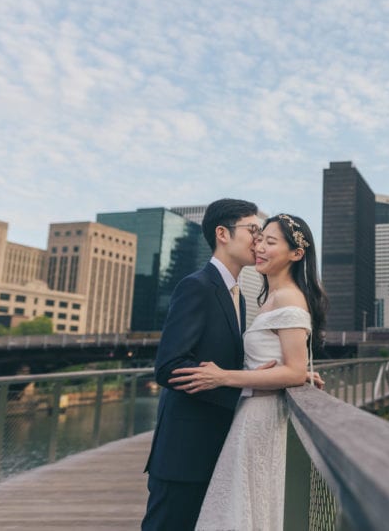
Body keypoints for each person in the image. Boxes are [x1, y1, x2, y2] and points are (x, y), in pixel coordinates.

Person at [170, 213, 327, 531]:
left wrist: (224, 377)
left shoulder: (288, 297)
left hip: (262, 417)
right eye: (259, 240)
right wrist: (287, 373)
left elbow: (294, 371)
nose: (260, 247)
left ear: (296, 254)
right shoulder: (267, 298)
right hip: (250, 412)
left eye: (270, 242)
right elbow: (290, 367)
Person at [141, 199, 264, 531]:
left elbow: (227, 361)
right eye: (253, 230)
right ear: (223, 234)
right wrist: (230, 382)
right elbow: (168, 366)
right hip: (183, 455)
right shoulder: (196, 286)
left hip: (214, 448)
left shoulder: (236, 295)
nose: (259, 239)